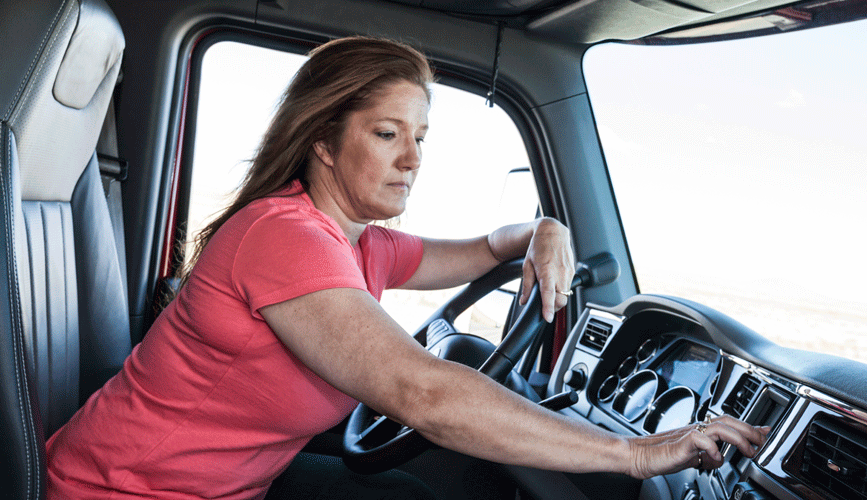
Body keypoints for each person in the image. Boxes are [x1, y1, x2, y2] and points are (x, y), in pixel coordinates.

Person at [46, 36, 769, 500]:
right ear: (324, 141)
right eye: (388, 134)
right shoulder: (284, 235)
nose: (413, 160)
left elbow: (490, 246)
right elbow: (420, 391)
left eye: (420, 137)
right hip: (120, 492)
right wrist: (631, 453)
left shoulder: (359, 244)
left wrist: (547, 228)